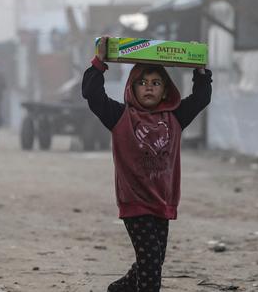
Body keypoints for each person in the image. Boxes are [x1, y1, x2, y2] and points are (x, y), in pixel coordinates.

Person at [82, 36, 212, 292]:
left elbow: (201, 98)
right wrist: (99, 62)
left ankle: (121, 288)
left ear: (165, 89)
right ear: (132, 86)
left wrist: (199, 67)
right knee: (151, 264)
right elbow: (93, 95)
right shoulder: (119, 117)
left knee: (153, 260)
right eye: (142, 82)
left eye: (156, 83)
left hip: (162, 200)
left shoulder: (175, 117)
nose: (149, 87)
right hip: (135, 201)